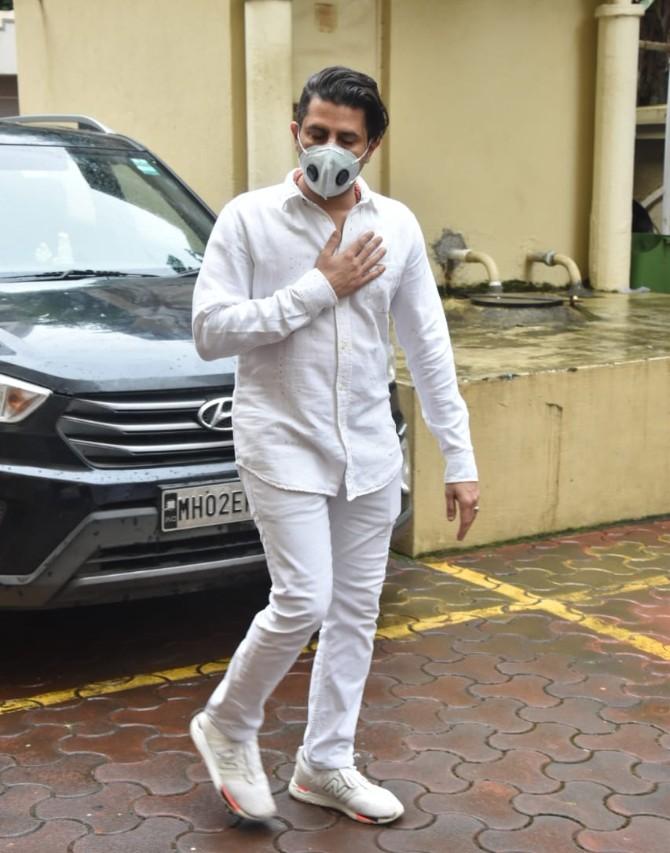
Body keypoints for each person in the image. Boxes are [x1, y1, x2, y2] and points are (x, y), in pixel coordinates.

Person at [190, 65, 480, 825]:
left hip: (369, 451)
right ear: (296, 131)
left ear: (372, 145)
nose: (328, 149)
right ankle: (228, 722)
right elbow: (208, 331)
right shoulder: (249, 220)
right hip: (281, 442)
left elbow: (427, 346)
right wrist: (317, 287)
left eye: (346, 138)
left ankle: (325, 762)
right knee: (302, 598)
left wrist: (460, 457)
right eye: (315, 133)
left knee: (355, 608)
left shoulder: (398, 226)